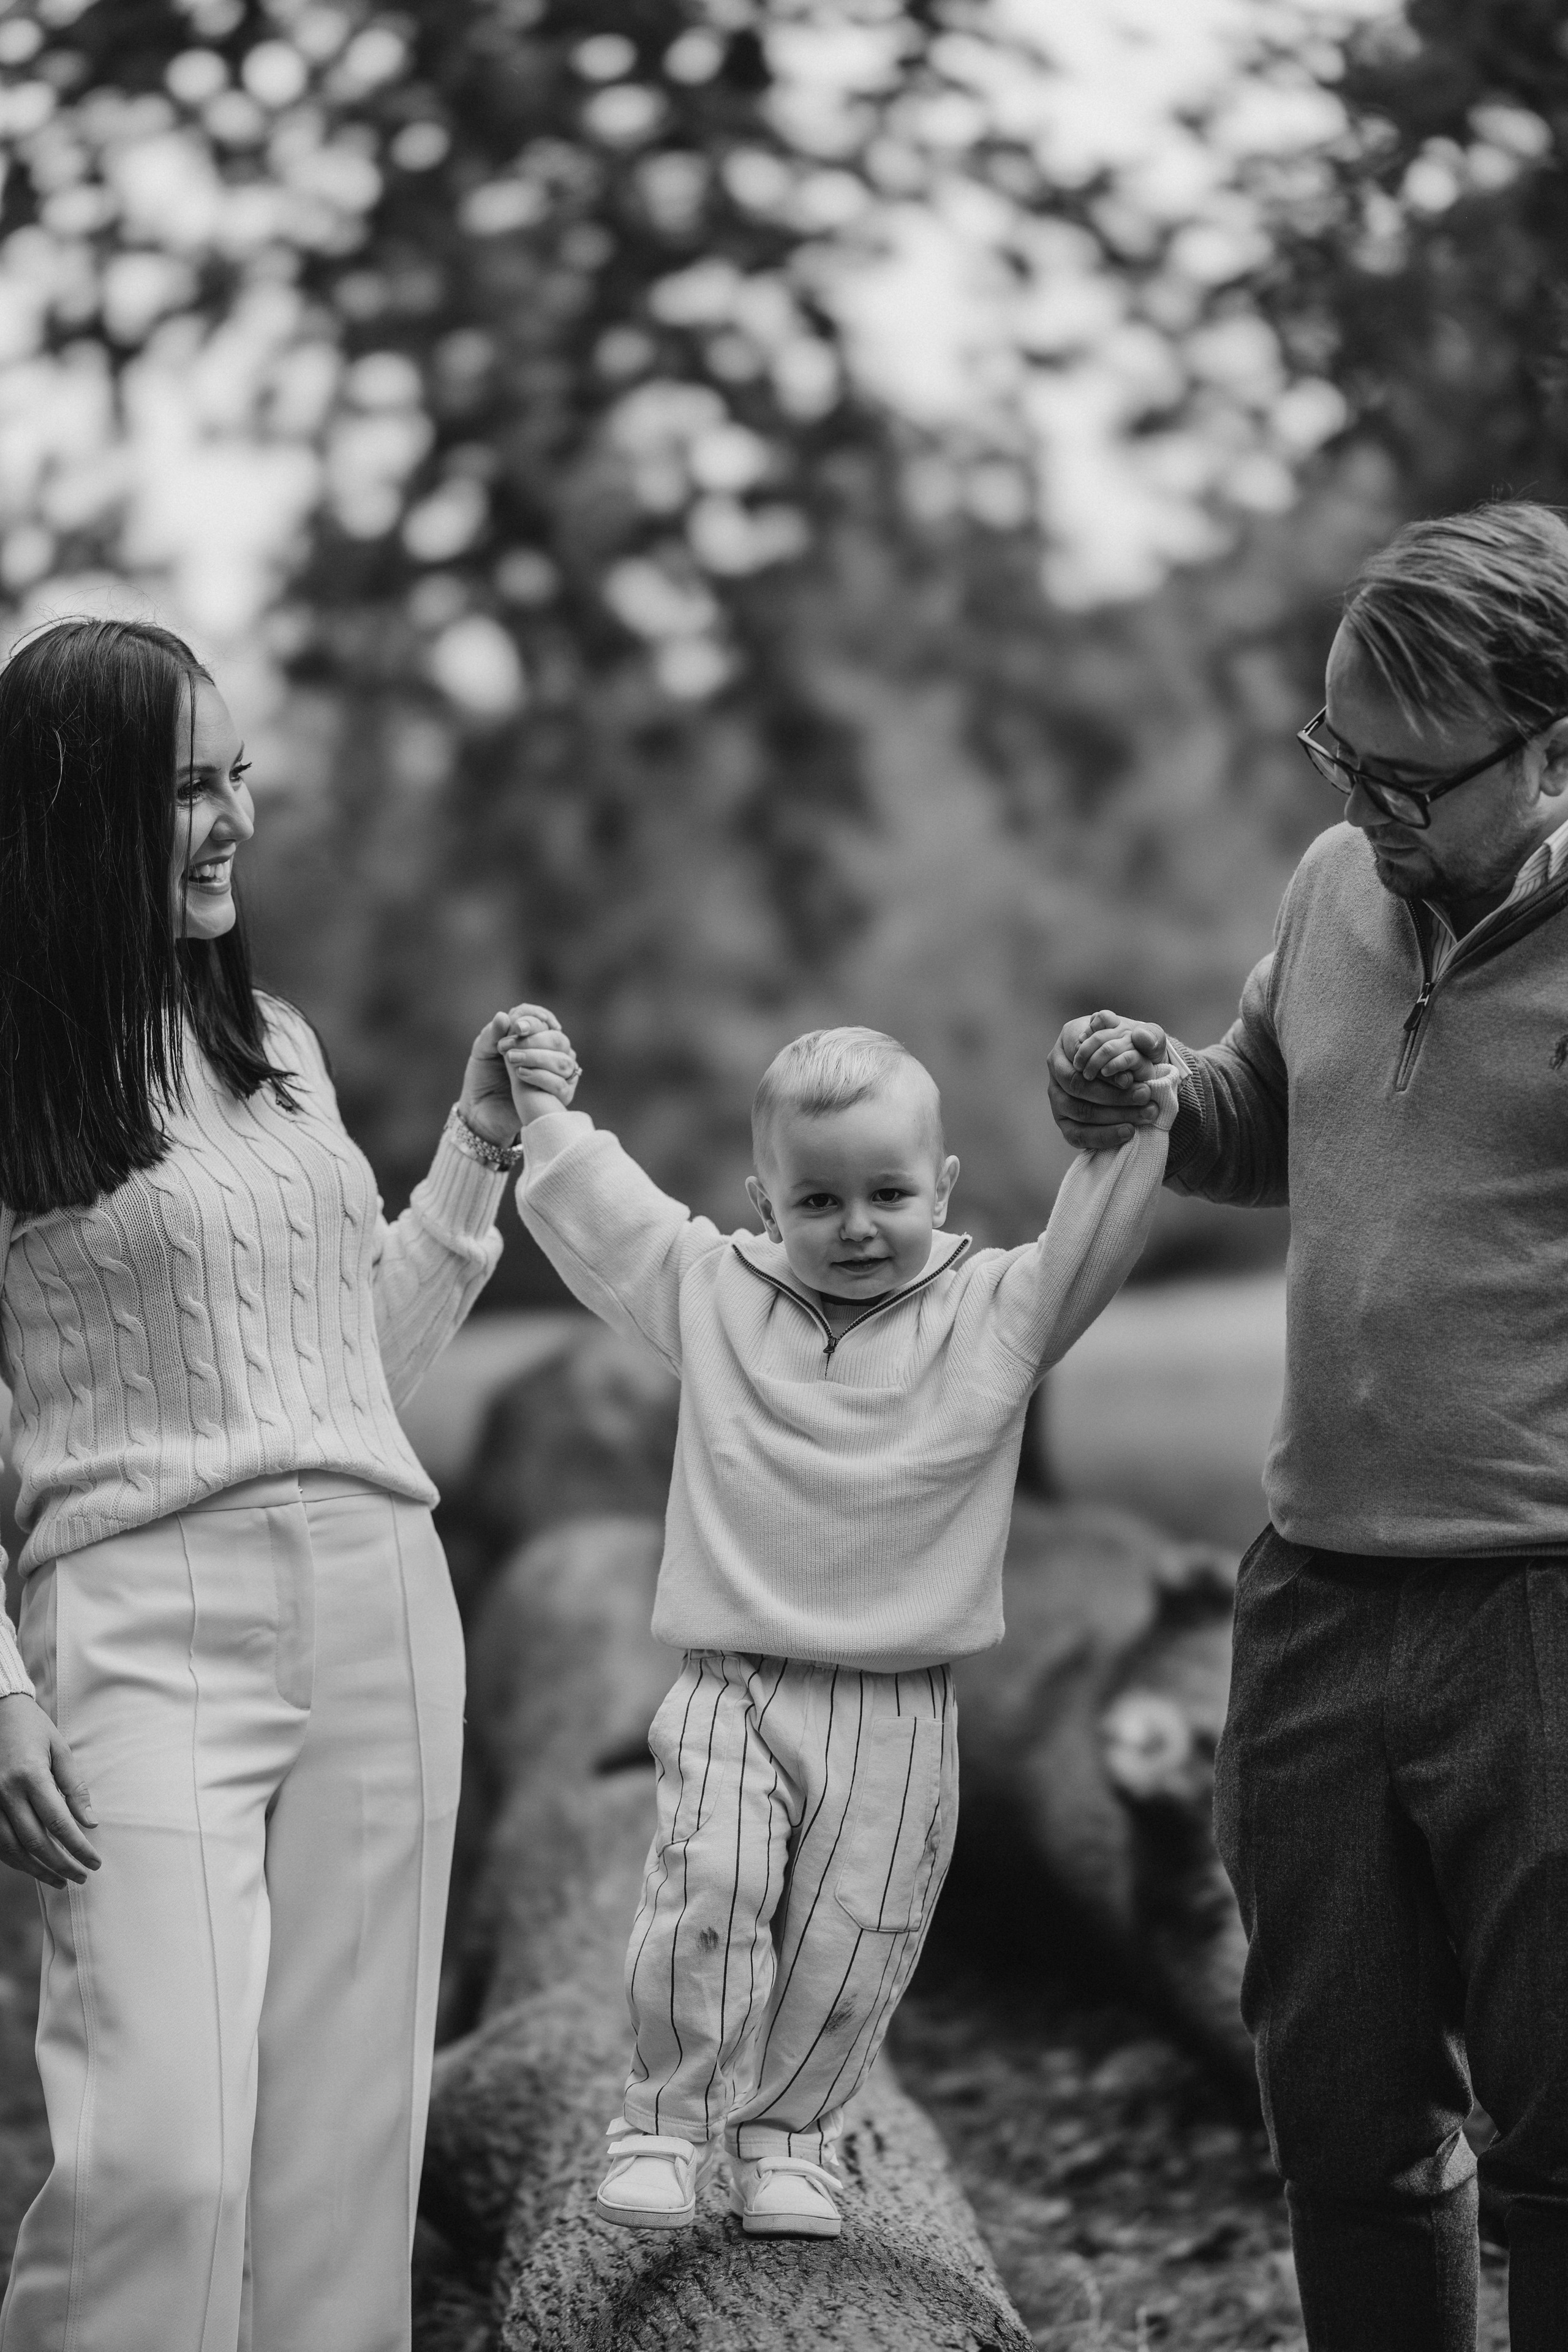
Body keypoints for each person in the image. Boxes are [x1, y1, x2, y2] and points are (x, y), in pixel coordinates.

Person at [1044, 500, 1568, 2352]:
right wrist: (1154, 1095)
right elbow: (1273, 1112)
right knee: (1343, 2116)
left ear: (1557, 748)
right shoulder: (1332, 888)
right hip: (1318, 1595)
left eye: (1410, 782)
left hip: (1539, 1612)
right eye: (1341, 757)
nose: (1366, 812)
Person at [0, 617, 555, 2352]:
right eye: (185, 787)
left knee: (343, 2159)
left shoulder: (280, 1053)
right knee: (157, 2160)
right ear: (71, 817)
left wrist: (473, 1158)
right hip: (140, 1618)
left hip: (382, 1599)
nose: (234, 816)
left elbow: (345, 1381)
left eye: (238, 773)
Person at [498, 1015, 1177, 2238]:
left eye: (887, 1193)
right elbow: (614, 1220)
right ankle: (663, 2120)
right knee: (708, 1886)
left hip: (895, 1700)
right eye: (815, 1200)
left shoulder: (991, 1314)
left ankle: (790, 2142)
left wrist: (1136, 1131)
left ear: (942, 1185)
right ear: (764, 1201)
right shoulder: (717, 1295)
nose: (855, 1225)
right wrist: (542, 1108)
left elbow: (1083, 1251)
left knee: (854, 1930)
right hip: (733, 1679)